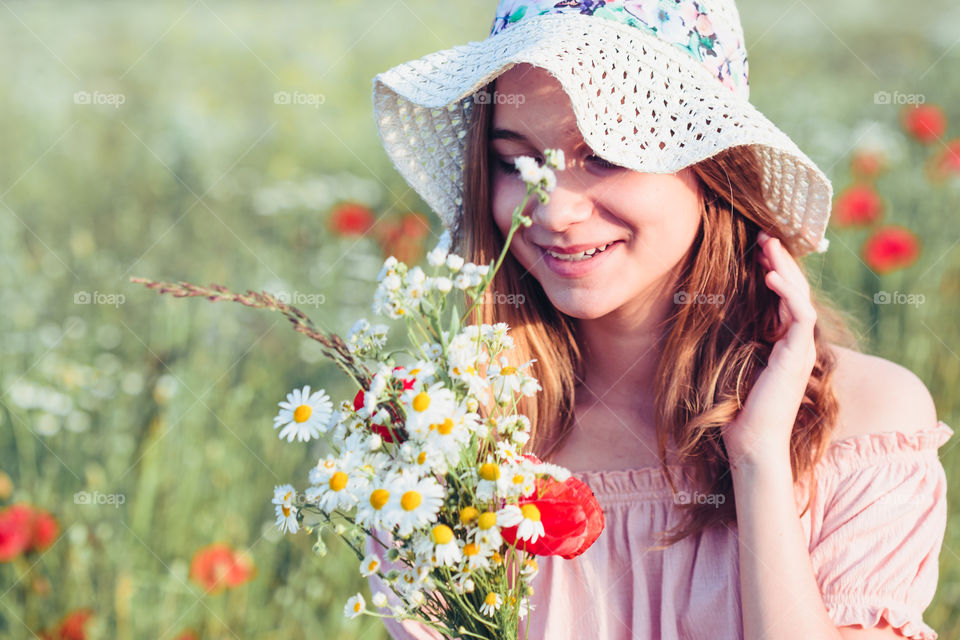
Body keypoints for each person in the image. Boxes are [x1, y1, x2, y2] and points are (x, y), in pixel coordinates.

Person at [364, 1, 953, 638]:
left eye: (605, 155)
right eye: (516, 162)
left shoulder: (861, 423)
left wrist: (758, 463)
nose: (554, 209)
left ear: (712, 168)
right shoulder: (449, 447)